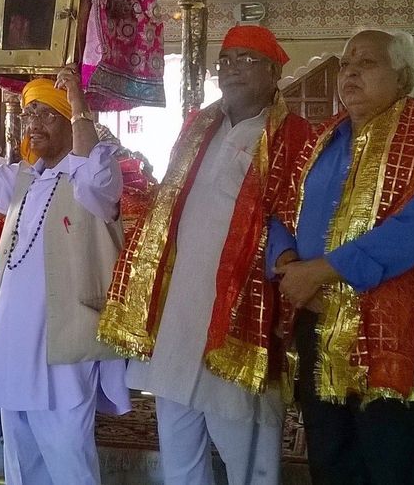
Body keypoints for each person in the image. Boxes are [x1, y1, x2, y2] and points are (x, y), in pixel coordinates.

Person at [99, 25, 313, 485]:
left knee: (246, 446)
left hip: (241, 306)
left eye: (246, 59)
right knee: (178, 438)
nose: (232, 68)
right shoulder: (199, 125)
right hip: (179, 307)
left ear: (274, 72)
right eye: (226, 59)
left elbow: (296, 214)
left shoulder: (294, 135)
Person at [270, 28, 414, 485]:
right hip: (318, 317)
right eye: (347, 62)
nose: (350, 71)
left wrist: (320, 271)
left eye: (367, 63)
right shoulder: (321, 142)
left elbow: (413, 233)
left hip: (390, 323)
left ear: (404, 78)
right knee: (330, 448)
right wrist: (287, 263)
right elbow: (279, 209)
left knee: (392, 451)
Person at [0, 70, 131, 485]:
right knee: (21, 465)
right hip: (13, 346)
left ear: (71, 121)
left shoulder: (92, 176)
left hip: (63, 349)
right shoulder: (25, 179)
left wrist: (80, 105)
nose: (33, 124)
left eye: (48, 114)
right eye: (29, 113)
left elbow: (96, 175)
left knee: (68, 460)